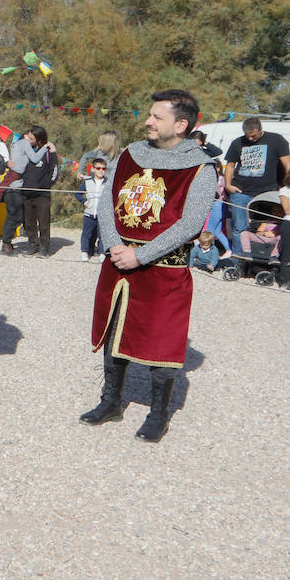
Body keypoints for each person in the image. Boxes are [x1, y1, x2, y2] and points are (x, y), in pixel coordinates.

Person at [83, 89, 218, 442]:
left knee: (162, 345)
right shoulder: (130, 154)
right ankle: (110, 402)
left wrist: (141, 255)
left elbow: (190, 224)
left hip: (163, 269)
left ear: (182, 124)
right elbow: (107, 202)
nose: (148, 121)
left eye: (158, 117)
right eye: (150, 115)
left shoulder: (200, 166)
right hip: (118, 263)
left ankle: (159, 415)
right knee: (114, 334)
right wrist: (114, 244)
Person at [223, 117, 290, 244]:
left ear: (260, 130)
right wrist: (228, 185)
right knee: (239, 228)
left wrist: (288, 186)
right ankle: (239, 260)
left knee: (268, 227)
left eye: (253, 136)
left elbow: (287, 164)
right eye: (247, 136)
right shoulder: (237, 143)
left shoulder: (276, 140)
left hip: (268, 193)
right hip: (241, 191)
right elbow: (230, 165)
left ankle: (265, 257)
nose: (250, 139)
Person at [0, 126, 53, 255]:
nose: (32, 141)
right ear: (28, 135)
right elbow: (34, 159)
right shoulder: (24, 143)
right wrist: (45, 148)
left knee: (17, 216)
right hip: (14, 185)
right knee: (15, 216)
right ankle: (6, 244)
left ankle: (10, 243)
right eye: (32, 137)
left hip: (14, 184)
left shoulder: (17, 144)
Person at [18, 125, 58, 256]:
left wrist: (45, 185)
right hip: (26, 192)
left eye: (31, 138)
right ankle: (33, 245)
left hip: (42, 194)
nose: (28, 140)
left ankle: (44, 247)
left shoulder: (49, 152)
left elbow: (54, 172)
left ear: (39, 139)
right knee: (28, 221)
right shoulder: (25, 149)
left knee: (43, 222)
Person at [77, 156, 107, 261]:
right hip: (89, 213)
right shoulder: (87, 181)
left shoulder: (108, 182)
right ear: (93, 169)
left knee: (102, 234)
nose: (101, 171)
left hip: (102, 214)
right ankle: (84, 252)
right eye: (98, 168)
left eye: (103, 168)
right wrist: (84, 202)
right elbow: (78, 194)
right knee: (86, 233)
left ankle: (102, 253)